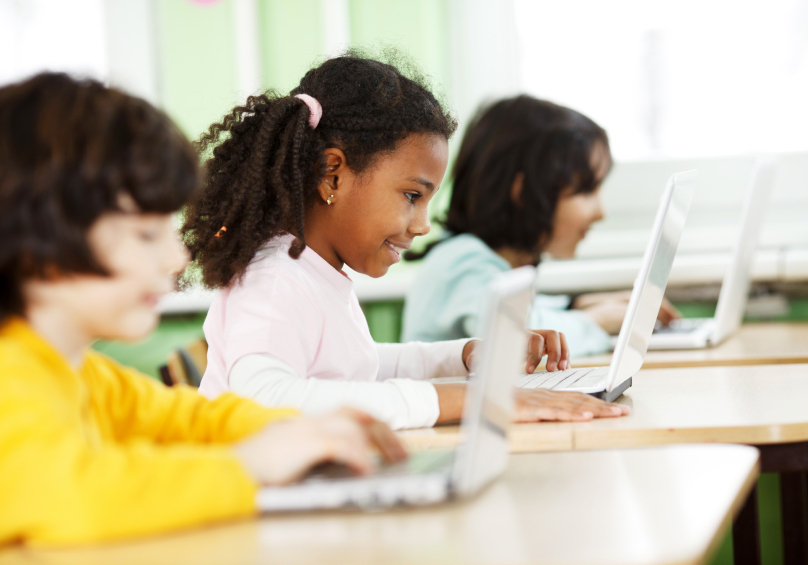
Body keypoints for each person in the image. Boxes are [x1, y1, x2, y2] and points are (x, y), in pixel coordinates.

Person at [0, 73, 406, 546]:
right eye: (146, 235)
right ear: (36, 246)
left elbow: (191, 419)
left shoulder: (81, 375)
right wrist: (250, 464)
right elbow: (69, 495)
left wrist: (302, 432)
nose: (177, 259)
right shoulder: (10, 375)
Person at [185, 53, 628, 430]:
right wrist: (461, 402)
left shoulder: (314, 273)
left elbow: (363, 365)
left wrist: (464, 356)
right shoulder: (275, 277)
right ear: (330, 173)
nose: (422, 225)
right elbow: (263, 399)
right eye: (412, 196)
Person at [402, 95, 680, 356]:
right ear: (525, 194)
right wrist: (600, 319)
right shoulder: (461, 262)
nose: (600, 212)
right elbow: (520, 336)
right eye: (586, 191)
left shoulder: (487, 261)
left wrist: (578, 304)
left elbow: (528, 311)